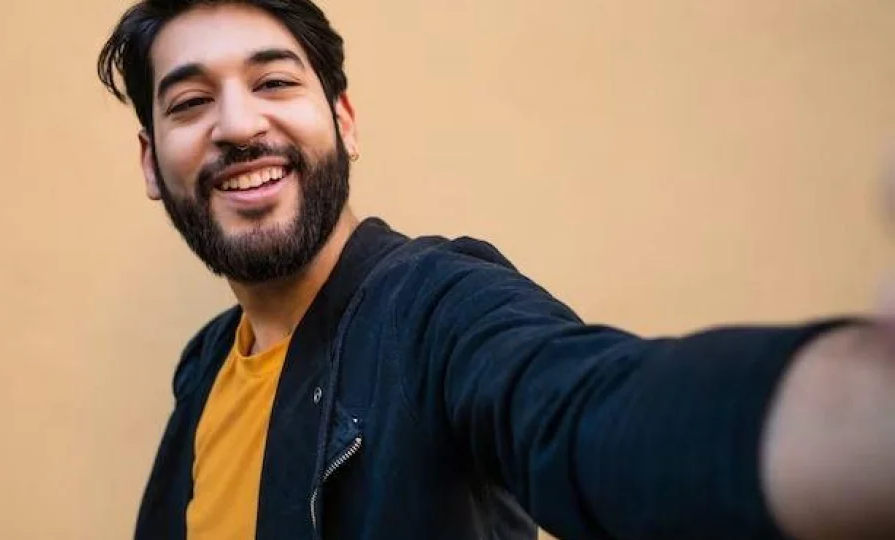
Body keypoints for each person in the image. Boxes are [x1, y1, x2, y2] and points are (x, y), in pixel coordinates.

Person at [96, 1, 895, 539]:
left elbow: (583, 413)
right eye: (190, 102)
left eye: (274, 82)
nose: (238, 125)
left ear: (344, 122)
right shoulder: (205, 365)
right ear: (151, 162)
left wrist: (859, 410)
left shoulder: (434, 307)